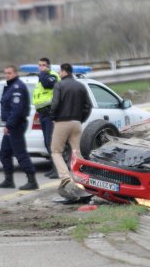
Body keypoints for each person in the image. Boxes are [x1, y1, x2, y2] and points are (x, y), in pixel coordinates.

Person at [50, 63, 92, 200]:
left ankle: (65, 178)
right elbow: (88, 105)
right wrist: (81, 119)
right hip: (76, 123)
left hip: (62, 121)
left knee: (56, 151)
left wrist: (53, 117)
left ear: (63, 71)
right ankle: (80, 179)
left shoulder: (59, 85)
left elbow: (55, 104)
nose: (59, 74)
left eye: (59, 71)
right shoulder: (80, 85)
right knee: (77, 152)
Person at [0, 65, 39, 190]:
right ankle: (8, 180)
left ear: (15, 73)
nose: (7, 75)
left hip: (15, 125)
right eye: (6, 73)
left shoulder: (17, 87)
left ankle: (32, 181)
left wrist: (9, 125)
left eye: (9, 73)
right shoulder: (10, 87)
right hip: (11, 125)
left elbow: (17, 110)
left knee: (20, 153)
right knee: (4, 153)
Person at [32, 57, 60, 179]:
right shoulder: (41, 78)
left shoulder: (52, 76)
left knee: (51, 143)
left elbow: (48, 85)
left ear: (49, 66)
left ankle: (58, 169)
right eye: (39, 65)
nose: (41, 67)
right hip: (42, 114)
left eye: (43, 65)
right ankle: (53, 167)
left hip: (50, 114)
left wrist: (43, 73)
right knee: (46, 142)